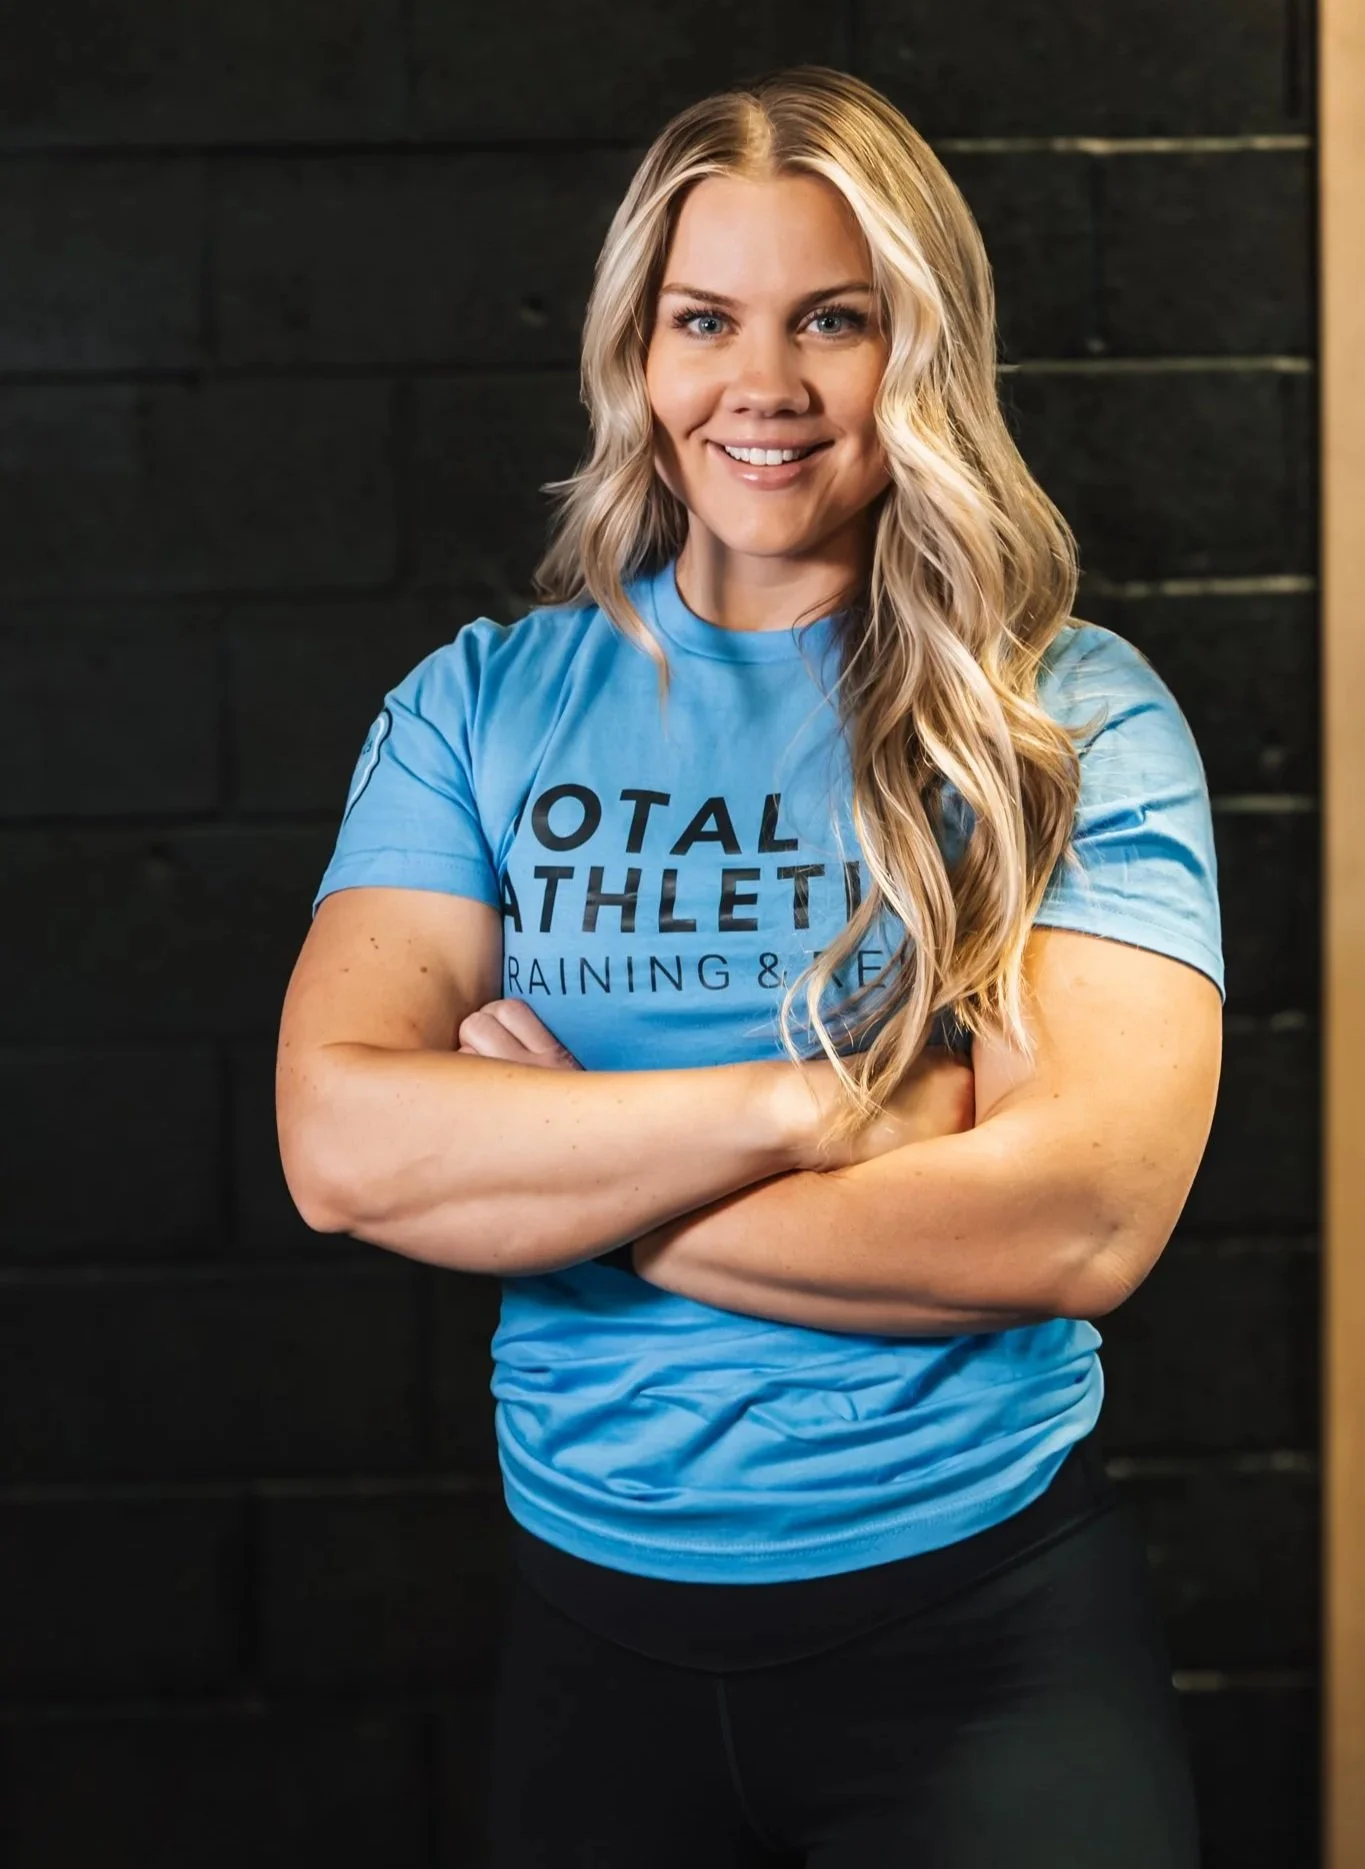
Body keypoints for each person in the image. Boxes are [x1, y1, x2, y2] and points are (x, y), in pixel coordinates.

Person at [277, 65, 1224, 1868]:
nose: (763, 385)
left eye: (835, 321)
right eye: (707, 319)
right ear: (641, 353)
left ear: (919, 353)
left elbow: (1078, 1221)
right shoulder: (482, 706)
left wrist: (566, 1174)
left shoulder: (1059, 721)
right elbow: (339, 1147)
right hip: (593, 1644)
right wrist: (816, 1107)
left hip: (983, 1647)